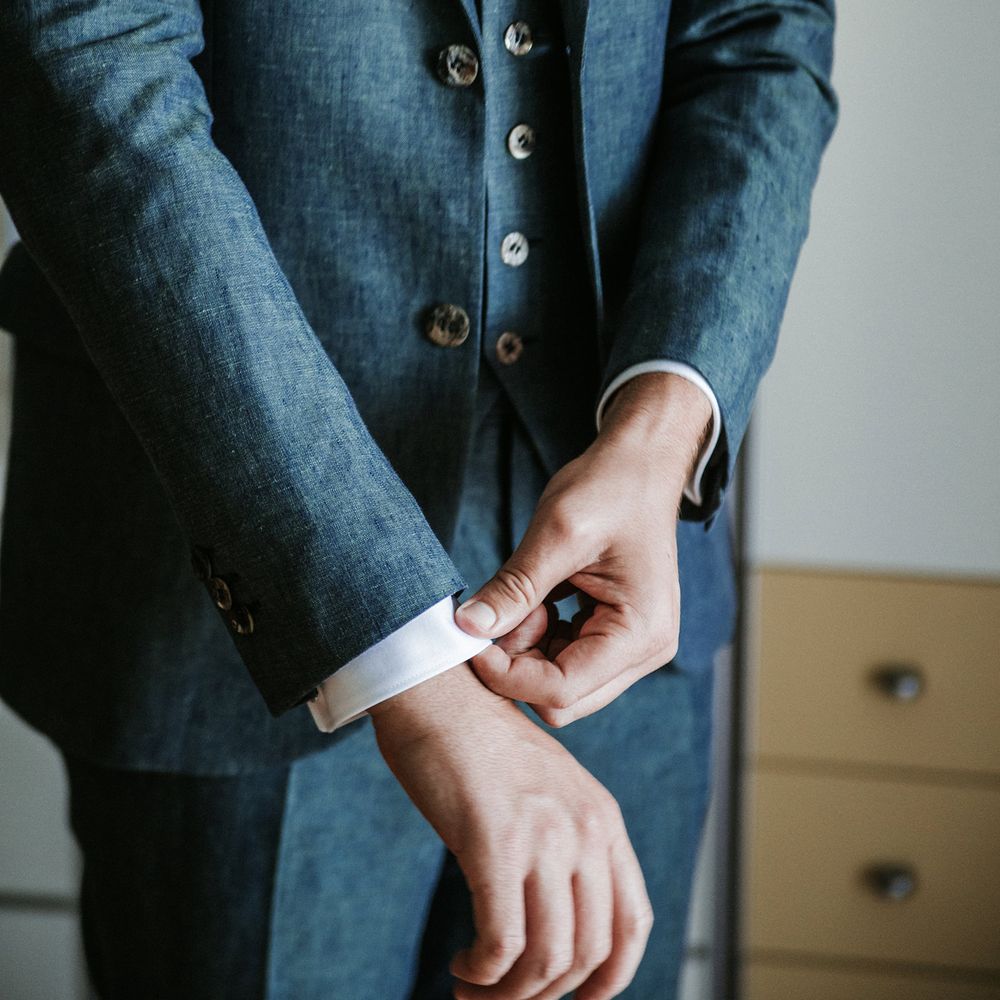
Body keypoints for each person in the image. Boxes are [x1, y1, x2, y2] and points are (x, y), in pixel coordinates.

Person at [0, 0, 838, 997]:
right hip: (218, 585)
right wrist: (399, 653)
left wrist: (661, 430)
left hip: (625, 593)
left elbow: (760, 36)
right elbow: (89, 70)